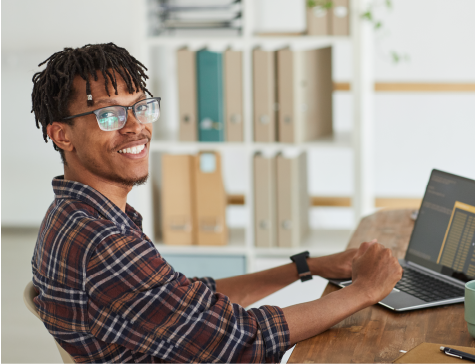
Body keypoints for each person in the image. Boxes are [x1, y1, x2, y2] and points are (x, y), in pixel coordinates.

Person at [30, 43, 403, 364]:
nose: (135, 127)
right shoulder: (101, 240)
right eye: (109, 114)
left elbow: (187, 301)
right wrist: (364, 291)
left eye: (141, 107)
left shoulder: (78, 215)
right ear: (62, 135)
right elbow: (242, 343)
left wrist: (306, 267)